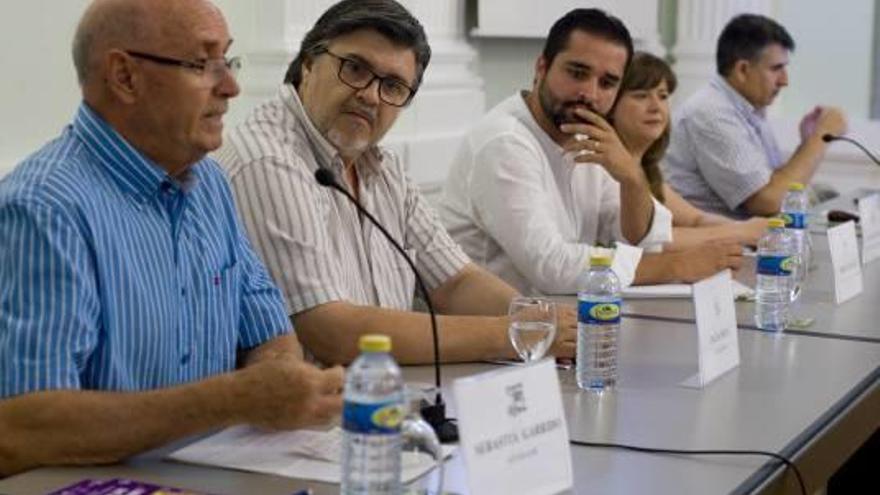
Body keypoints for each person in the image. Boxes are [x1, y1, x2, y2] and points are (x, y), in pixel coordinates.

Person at [0, 0, 343, 477]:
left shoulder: (209, 183)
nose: (230, 86)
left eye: (229, 60)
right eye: (202, 64)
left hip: (222, 474)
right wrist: (231, 399)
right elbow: (23, 428)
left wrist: (276, 386)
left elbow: (269, 333)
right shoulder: (46, 207)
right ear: (125, 77)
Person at [215, 0, 577, 365]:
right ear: (308, 63)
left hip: (383, 394)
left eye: (393, 86)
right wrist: (515, 334)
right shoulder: (268, 159)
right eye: (355, 69)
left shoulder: (379, 165)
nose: (371, 96)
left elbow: (455, 282)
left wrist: (546, 322)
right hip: (311, 413)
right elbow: (330, 331)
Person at [438, 8, 743, 295]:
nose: (590, 93)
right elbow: (550, 266)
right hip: (498, 333)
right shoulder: (504, 141)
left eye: (607, 83)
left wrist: (632, 178)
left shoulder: (586, 134)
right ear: (542, 67)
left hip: (562, 320)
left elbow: (640, 240)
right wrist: (675, 265)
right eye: (577, 73)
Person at [663, 13, 847, 219]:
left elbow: (777, 184)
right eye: (776, 68)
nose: (784, 81)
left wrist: (806, 143)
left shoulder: (748, 108)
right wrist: (821, 137)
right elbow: (769, 201)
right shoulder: (711, 114)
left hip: (747, 241)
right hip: (718, 245)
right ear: (742, 69)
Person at [609, 51, 769, 249]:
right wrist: (741, 232)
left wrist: (759, 230)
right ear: (610, 105)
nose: (656, 107)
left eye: (662, 96)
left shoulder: (645, 168)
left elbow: (694, 219)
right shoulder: (606, 167)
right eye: (641, 96)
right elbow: (649, 243)